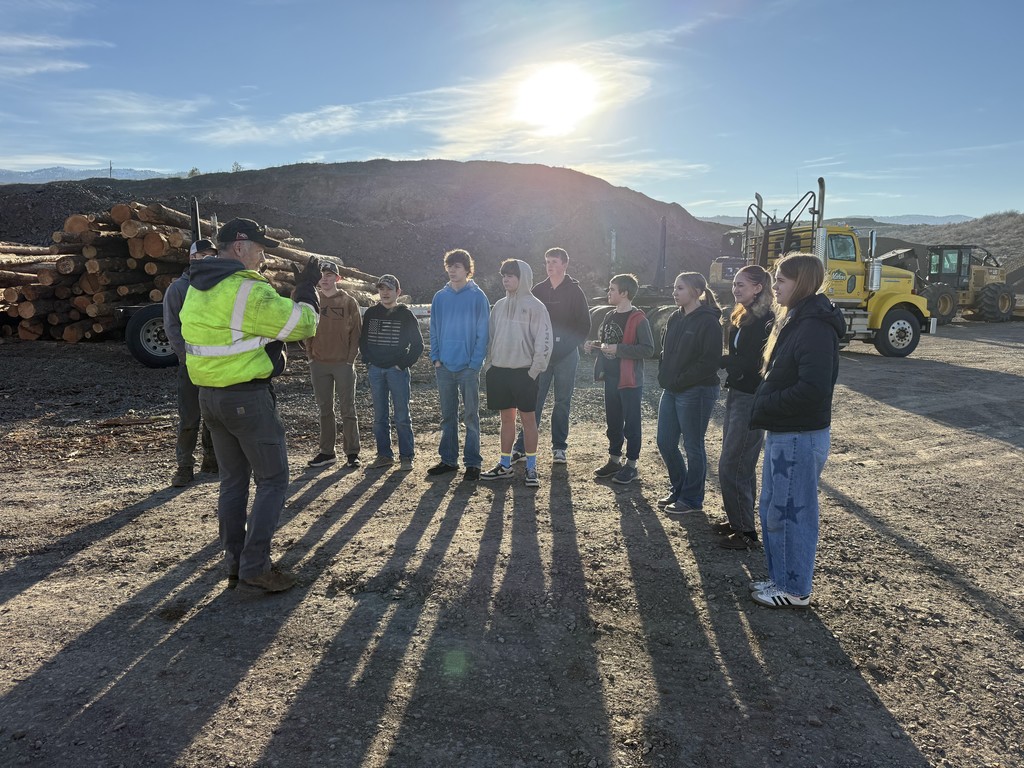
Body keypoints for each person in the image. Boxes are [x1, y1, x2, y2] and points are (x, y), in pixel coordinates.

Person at [180, 217, 320, 594]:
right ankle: (256, 567)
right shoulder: (246, 290)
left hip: (209, 399)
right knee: (273, 480)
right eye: (258, 250)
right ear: (239, 247)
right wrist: (307, 291)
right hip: (247, 400)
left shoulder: (198, 286)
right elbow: (302, 325)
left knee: (233, 482)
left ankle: (235, 564)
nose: (262, 258)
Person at [748, 253, 845, 608]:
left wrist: (766, 405)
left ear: (800, 283)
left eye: (781, 281)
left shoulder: (814, 327)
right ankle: (781, 578)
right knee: (774, 509)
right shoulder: (797, 320)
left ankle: (794, 588)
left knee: (792, 512)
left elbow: (813, 389)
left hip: (798, 436)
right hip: (786, 432)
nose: (774, 287)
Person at [511, 247, 590, 465]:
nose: (550, 265)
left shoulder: (575, 292)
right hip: (540, 356)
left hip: (566, 355)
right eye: (547, 261)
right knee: (533, 401)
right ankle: (522, 447)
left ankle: (559, 448)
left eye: (555, 261)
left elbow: (584, 326)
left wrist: (563, 348)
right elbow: (525, 320)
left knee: (562, 402)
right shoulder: (538, 290)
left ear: (565, 264)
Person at [716, 265, 775, 549]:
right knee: (742, 463)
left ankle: (746, 534)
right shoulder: (744, 315)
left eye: (741, 285)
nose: (735, 289)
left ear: (758, 288)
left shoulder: (766, 320)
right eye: (735, 284)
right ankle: (739, 520)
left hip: (751, 395)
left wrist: (717, 362)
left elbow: (755, 363)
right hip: (738, 393)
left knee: (733, 463)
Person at [480, 259, 553, 487]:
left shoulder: (536, 306)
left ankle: (531, 467)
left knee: (529, 421)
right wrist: (490, 364)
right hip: (501, 372)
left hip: (524, 373)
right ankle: (505, 465)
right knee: (506, 420)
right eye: (504, 275)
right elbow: (491, 338)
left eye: (511, 275)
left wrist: (533, 371)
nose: (506, 279)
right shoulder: (499, 306)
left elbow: (544, 341)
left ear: (523, 278)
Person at [656, 272, 722, 515]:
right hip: (672, 389)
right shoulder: (675, 317)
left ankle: (692, 499)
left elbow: (709, 362)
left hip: (697, 391)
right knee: (665, 441)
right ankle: (680, 488)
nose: (674, 292)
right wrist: (664, 375)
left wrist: (681, 380)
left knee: (693, 446)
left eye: (680, 288)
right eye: (674, 287)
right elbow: (664, 352)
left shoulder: (708, 321)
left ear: (696, 291)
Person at [584, 274, 654, 484]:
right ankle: (614, 460)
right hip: (611, 378)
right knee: (613, 422)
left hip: (630, 380)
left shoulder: (639, 319)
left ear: (624, 293)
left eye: (612, 289)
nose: (608, 292)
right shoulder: (609, 316)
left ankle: (631, 465)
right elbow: (608, 342)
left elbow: (648, 349)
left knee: (631, 424)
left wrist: (620, 350)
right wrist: (594, 345)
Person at [428, 248, 491, 481]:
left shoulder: (478, 297)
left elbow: (483, 334)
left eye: (457, 266)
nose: (453, 270)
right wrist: (435, 358)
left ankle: (473, 463)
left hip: (467, 368)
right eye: (450, 266)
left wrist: (475, 363)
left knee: (471, 416)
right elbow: (434, 329)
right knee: (447, 416)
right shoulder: (440, 297)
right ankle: (448, 460)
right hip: (444, 366)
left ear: (467, 270)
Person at [163, 238, 218, 487]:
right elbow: (172, 328)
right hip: (191, 365)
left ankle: (212, 460)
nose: (206, 261)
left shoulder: (218, 286)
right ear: (191, 258)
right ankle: (184, 466)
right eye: (201, 256)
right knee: (189, 418)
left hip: (216, 365)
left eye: (211, 256)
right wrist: (187, 358)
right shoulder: (178, 289)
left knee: (214, 415)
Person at [359, 274, 424, 472]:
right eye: (381, 289)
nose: (385, 293)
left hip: (397, 371)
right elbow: (364, 341)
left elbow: (418, 345)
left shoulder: (406, 314)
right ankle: (384, 455)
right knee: (379, 416)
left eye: (389, 289)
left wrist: (402, 365)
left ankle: (406, 456)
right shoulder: (371, 313)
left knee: (402, 415)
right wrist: (368, 361)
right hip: (376, 370)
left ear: (398, 292)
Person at [304, 261, 362, 469]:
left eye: (329, 275)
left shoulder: (348, 302)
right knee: (325, 409)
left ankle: (352, 452)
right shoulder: (313, 300)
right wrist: (310, 356)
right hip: (319, 363)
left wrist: (350, 359)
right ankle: (327, 452)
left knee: (348, 408)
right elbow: (306, 328)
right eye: (322, 275)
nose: (325, 278)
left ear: (338, 278)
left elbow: (356, 332)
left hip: (342, 364)